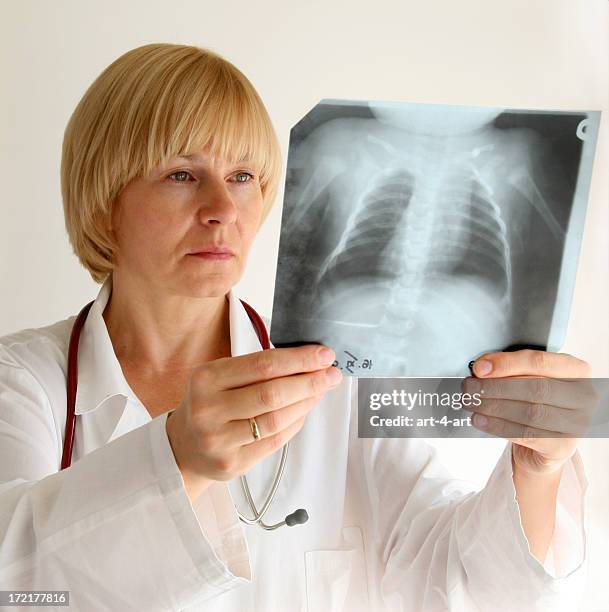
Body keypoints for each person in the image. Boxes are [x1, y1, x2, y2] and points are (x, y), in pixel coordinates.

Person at [0, 43, 590, 612]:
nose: (223, 209)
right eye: (182, 174)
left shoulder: (343, 383)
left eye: (243, 176)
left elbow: (456, 580)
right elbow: (15, 589)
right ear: (103, 200)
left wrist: (540, 468)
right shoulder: (22, 383)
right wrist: (176, 456)